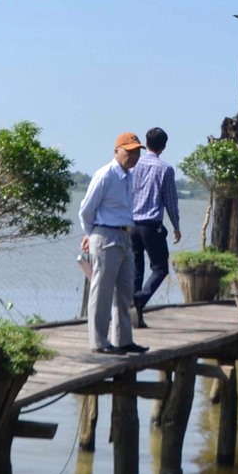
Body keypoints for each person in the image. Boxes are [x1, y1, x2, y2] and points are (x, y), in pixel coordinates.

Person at [79, 132, 147, 355]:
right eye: (129, 151)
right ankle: (99, 341)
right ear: (117, 151)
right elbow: (86, 209)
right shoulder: (105, 175)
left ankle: (123, 340)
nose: (134, 156)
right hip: (106, 235)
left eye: (137, 152)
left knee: (125, 290)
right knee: (102, 291)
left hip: (125, 236)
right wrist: (90, 233)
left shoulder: (128, 176)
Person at [128, 127, 180, 328]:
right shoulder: (165, 169)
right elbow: (170, 201)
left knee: (136, 270)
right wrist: (176, 225)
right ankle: (139, 299)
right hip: (151, 224)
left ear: (146, 143)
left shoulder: (133, 164)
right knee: (160, 268)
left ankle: (134, 317)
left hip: (130, 223)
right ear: (164, 147)